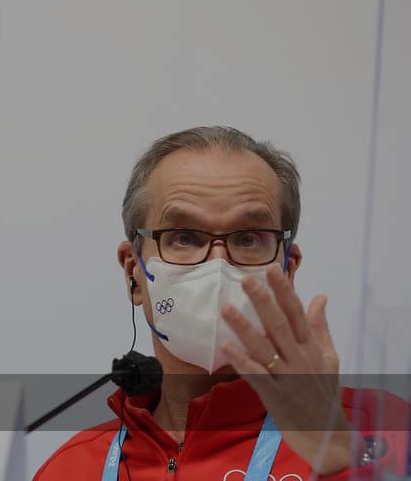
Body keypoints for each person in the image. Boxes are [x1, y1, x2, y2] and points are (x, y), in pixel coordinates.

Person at [34, 127, 408, 480]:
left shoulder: (382, 430)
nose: (218, 266)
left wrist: (342, 457)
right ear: (134, 273)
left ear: (287, 271)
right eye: (183, 237)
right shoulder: (71, 468)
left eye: (248, 238)